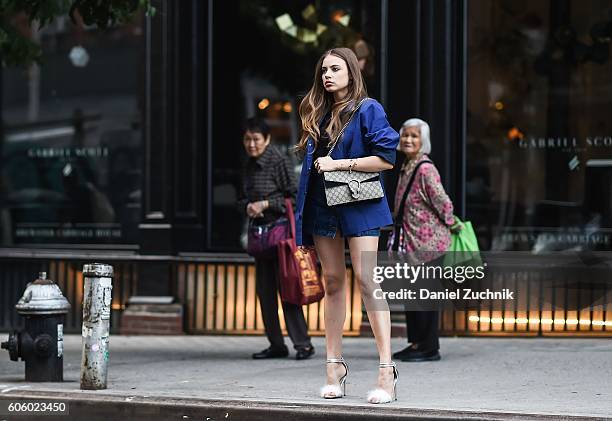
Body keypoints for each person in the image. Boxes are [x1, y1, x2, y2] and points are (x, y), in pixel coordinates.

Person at [294, 47, 399, 404]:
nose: (327, 75)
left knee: (367, 280)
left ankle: (387, 370)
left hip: (360, 204)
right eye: (323, 69)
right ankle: (333, 367)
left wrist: (341, 165)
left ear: (351, 72)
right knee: (334, 282)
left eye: (335, 68)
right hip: (323, 205)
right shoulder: (318, 112)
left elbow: (386, 159)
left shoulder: (368, 108)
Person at [237, 117, 315, 361]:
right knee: (265, 292)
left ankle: (303, 344)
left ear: (267, 139)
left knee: (289, 288)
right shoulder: (247, 164)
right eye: (248, 140)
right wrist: (248, 206)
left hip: (281, 236)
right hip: (261, 238)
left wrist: (267, 203)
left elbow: (294, 197)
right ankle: (276, 345)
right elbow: (240, 198)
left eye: (256, 140)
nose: (251, 145)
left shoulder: (278, 160)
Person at [389, 118, 459, 362]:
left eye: (414, 136)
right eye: (405, 135)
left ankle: (429, 348)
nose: (408, 140)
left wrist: (452, 223)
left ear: (423, 141)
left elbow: (442, 201)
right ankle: (417, 342)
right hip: (412, 241)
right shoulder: (408, 164)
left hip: (428, 244)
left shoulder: (425, 168)